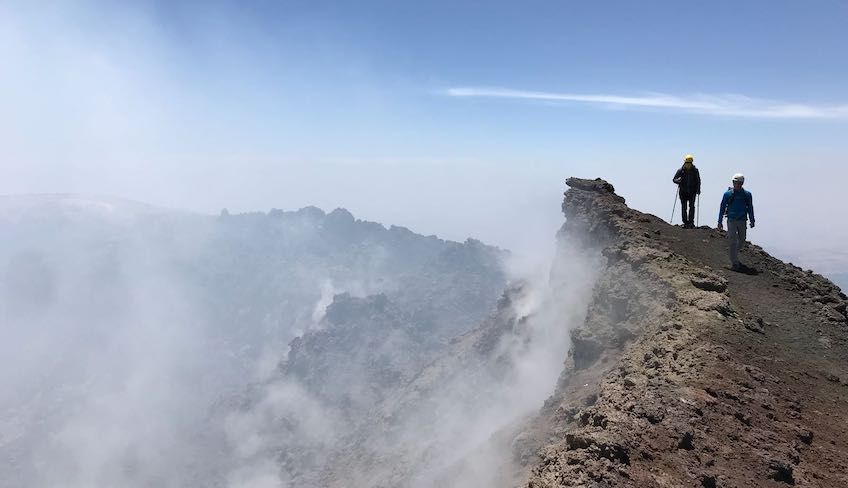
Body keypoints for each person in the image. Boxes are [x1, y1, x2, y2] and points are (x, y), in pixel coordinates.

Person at [717, 173, 755, 271]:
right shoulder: (727, 194)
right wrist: (719, 221)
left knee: (742, 239)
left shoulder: (747, 195)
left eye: (738, 183)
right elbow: (722, 207)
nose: (736, 185)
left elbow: (750, 207)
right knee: (733, 241)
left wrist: (752, 219)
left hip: (742, 220)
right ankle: (735, 263)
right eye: (735, 182)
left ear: (742, 183)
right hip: (731, 220)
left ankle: (733, 253)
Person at [673, 154, 701, 228]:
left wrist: (698, 189)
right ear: (685, 162)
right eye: (687, 163)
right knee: (684, 207)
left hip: (692, 191)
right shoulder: (680, 170)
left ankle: (691, 222)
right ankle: (686, 222)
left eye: (689, 163)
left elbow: (698, 180)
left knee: (691, 206)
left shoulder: (695, 171)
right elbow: (674, 179)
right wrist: (678, 181)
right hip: (683, 192)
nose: (688, 164)